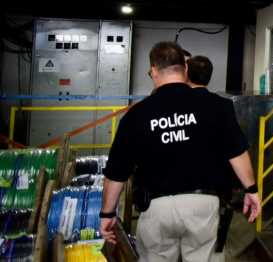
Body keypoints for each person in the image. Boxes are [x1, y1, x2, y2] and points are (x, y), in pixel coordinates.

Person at [100, 42, 261, 262]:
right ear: (185, 69)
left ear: (154, 71)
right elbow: (237, 152)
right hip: (202, 205)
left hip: (156, 208)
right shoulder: (217, 106)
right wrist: (251, 190)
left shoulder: (136, 115)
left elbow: (116, 173)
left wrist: (107, 213)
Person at [186, 55, 237, 260]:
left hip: (180, 188)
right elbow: (235, 148)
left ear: (187, 74)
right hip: (215, 189)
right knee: (208, 247)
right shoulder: (224, 105)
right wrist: (250, 188)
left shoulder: (176, 103)